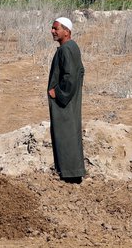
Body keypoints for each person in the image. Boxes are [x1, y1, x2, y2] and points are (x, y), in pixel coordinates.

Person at [47, 17, 86, 183]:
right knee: (69, 132)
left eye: (56, 28)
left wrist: (59, 93)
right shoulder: (72, 46)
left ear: (66, 32)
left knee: (65, 133)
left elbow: (70, 76)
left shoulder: (65, 50)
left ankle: (70, 173)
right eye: (52, 28)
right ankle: (72, 171)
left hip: (65, 101)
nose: (53, 31)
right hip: (71, 99)